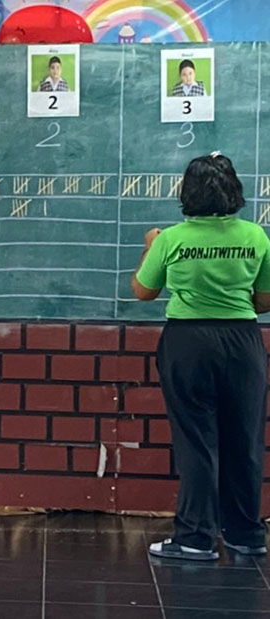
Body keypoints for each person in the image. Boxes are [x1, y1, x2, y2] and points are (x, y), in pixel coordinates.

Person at [133, 152, 270, 561]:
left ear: (187, 192)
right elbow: (265, 301)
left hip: (188, 342)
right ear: (234, 190)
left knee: (197, 441)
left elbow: (144, 291)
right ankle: (247, 534)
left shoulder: (171, 238)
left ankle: (195, 538)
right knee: (244, 438)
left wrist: (150, 246)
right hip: (243, 342)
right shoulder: (256, 236)